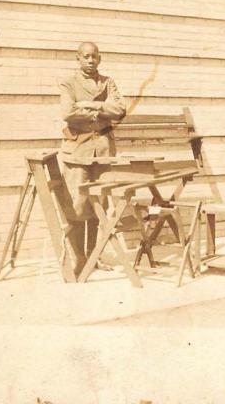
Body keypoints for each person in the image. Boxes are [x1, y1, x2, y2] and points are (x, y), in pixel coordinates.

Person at [57, 42, 126, 276]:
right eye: (85, 56)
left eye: (94, 56)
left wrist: (91, 104)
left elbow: (120, 110)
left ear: (100, 58)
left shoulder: (108, 82)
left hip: (103, 151)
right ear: (78, 58)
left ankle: (94, 257)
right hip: (78, 151)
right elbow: (68, 112)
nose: (90, 60)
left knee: (99, 205)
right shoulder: (68, 83)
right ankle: (79, 258)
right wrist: (101, 111)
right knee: (76, 205)